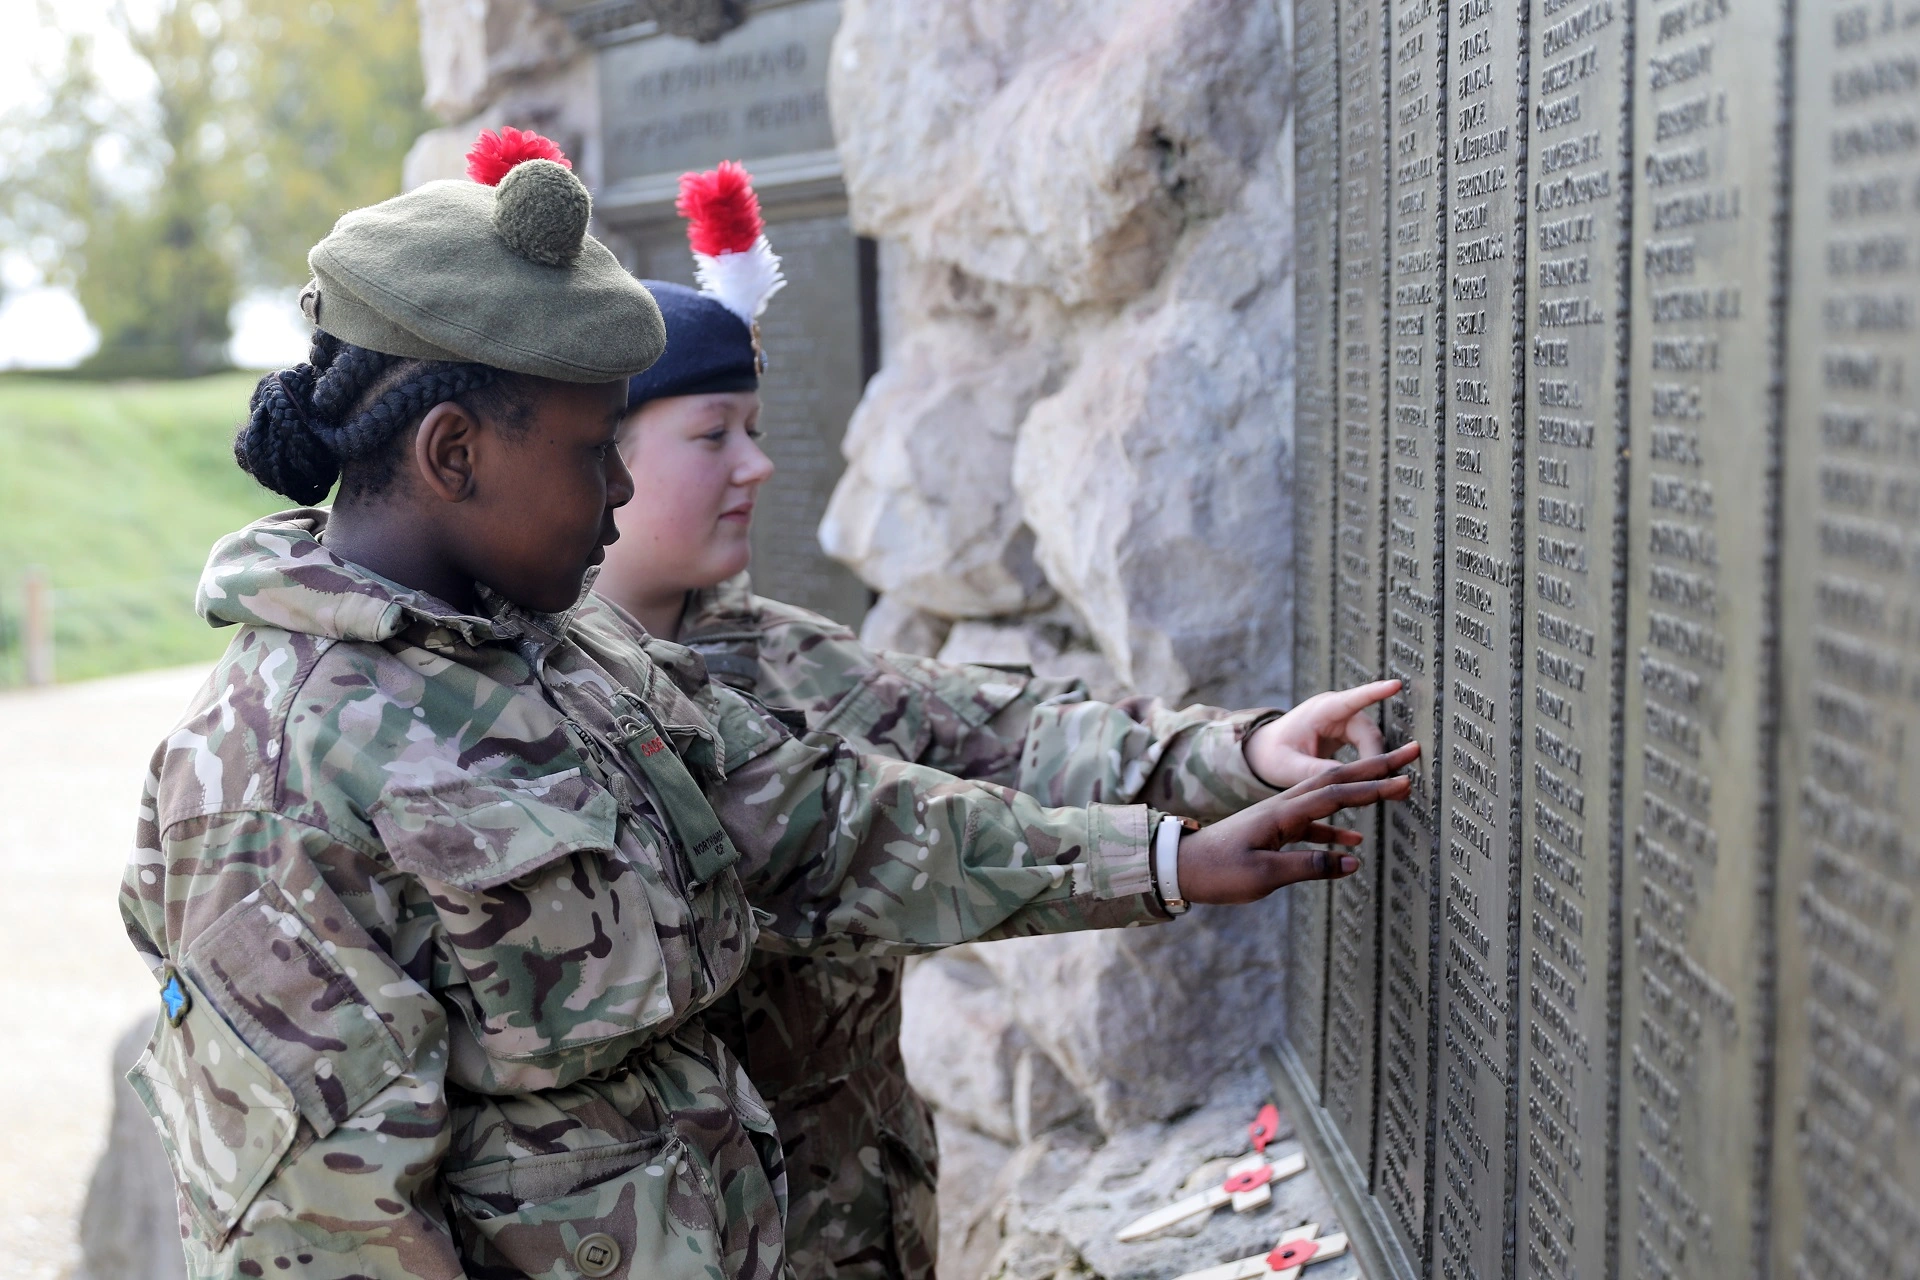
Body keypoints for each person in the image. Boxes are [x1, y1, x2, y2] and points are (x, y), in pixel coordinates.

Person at [119, 129, 1418, 1280]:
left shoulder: (567, 655)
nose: (617, 495)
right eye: (589, 455)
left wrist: (1170, 853)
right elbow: (321, 1235)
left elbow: (822, 824)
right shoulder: (274, 777)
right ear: (453, 450)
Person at [592, 163, 1407, 1280]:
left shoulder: (763, 644)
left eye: (756, 426)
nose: (759, 464)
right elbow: (873, 845)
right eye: (712, 435)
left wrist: (1236, 751)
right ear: (600, 456)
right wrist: (1170, 858)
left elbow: (986, 731)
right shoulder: (562, 705)